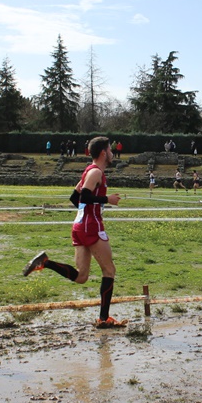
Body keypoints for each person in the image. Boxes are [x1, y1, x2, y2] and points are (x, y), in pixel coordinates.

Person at [23, 137, 127, 329]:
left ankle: (45, 262)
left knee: (81, 276)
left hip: (80, 225)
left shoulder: (88, 172)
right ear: (103, 153)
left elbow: (74, 198)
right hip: (90, 226)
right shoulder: (95, 172)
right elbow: (85, 196)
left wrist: (87, 211)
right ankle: (104, 319)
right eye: (110, 150)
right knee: (109, 271)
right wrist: (106, 200)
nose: (113, 153)